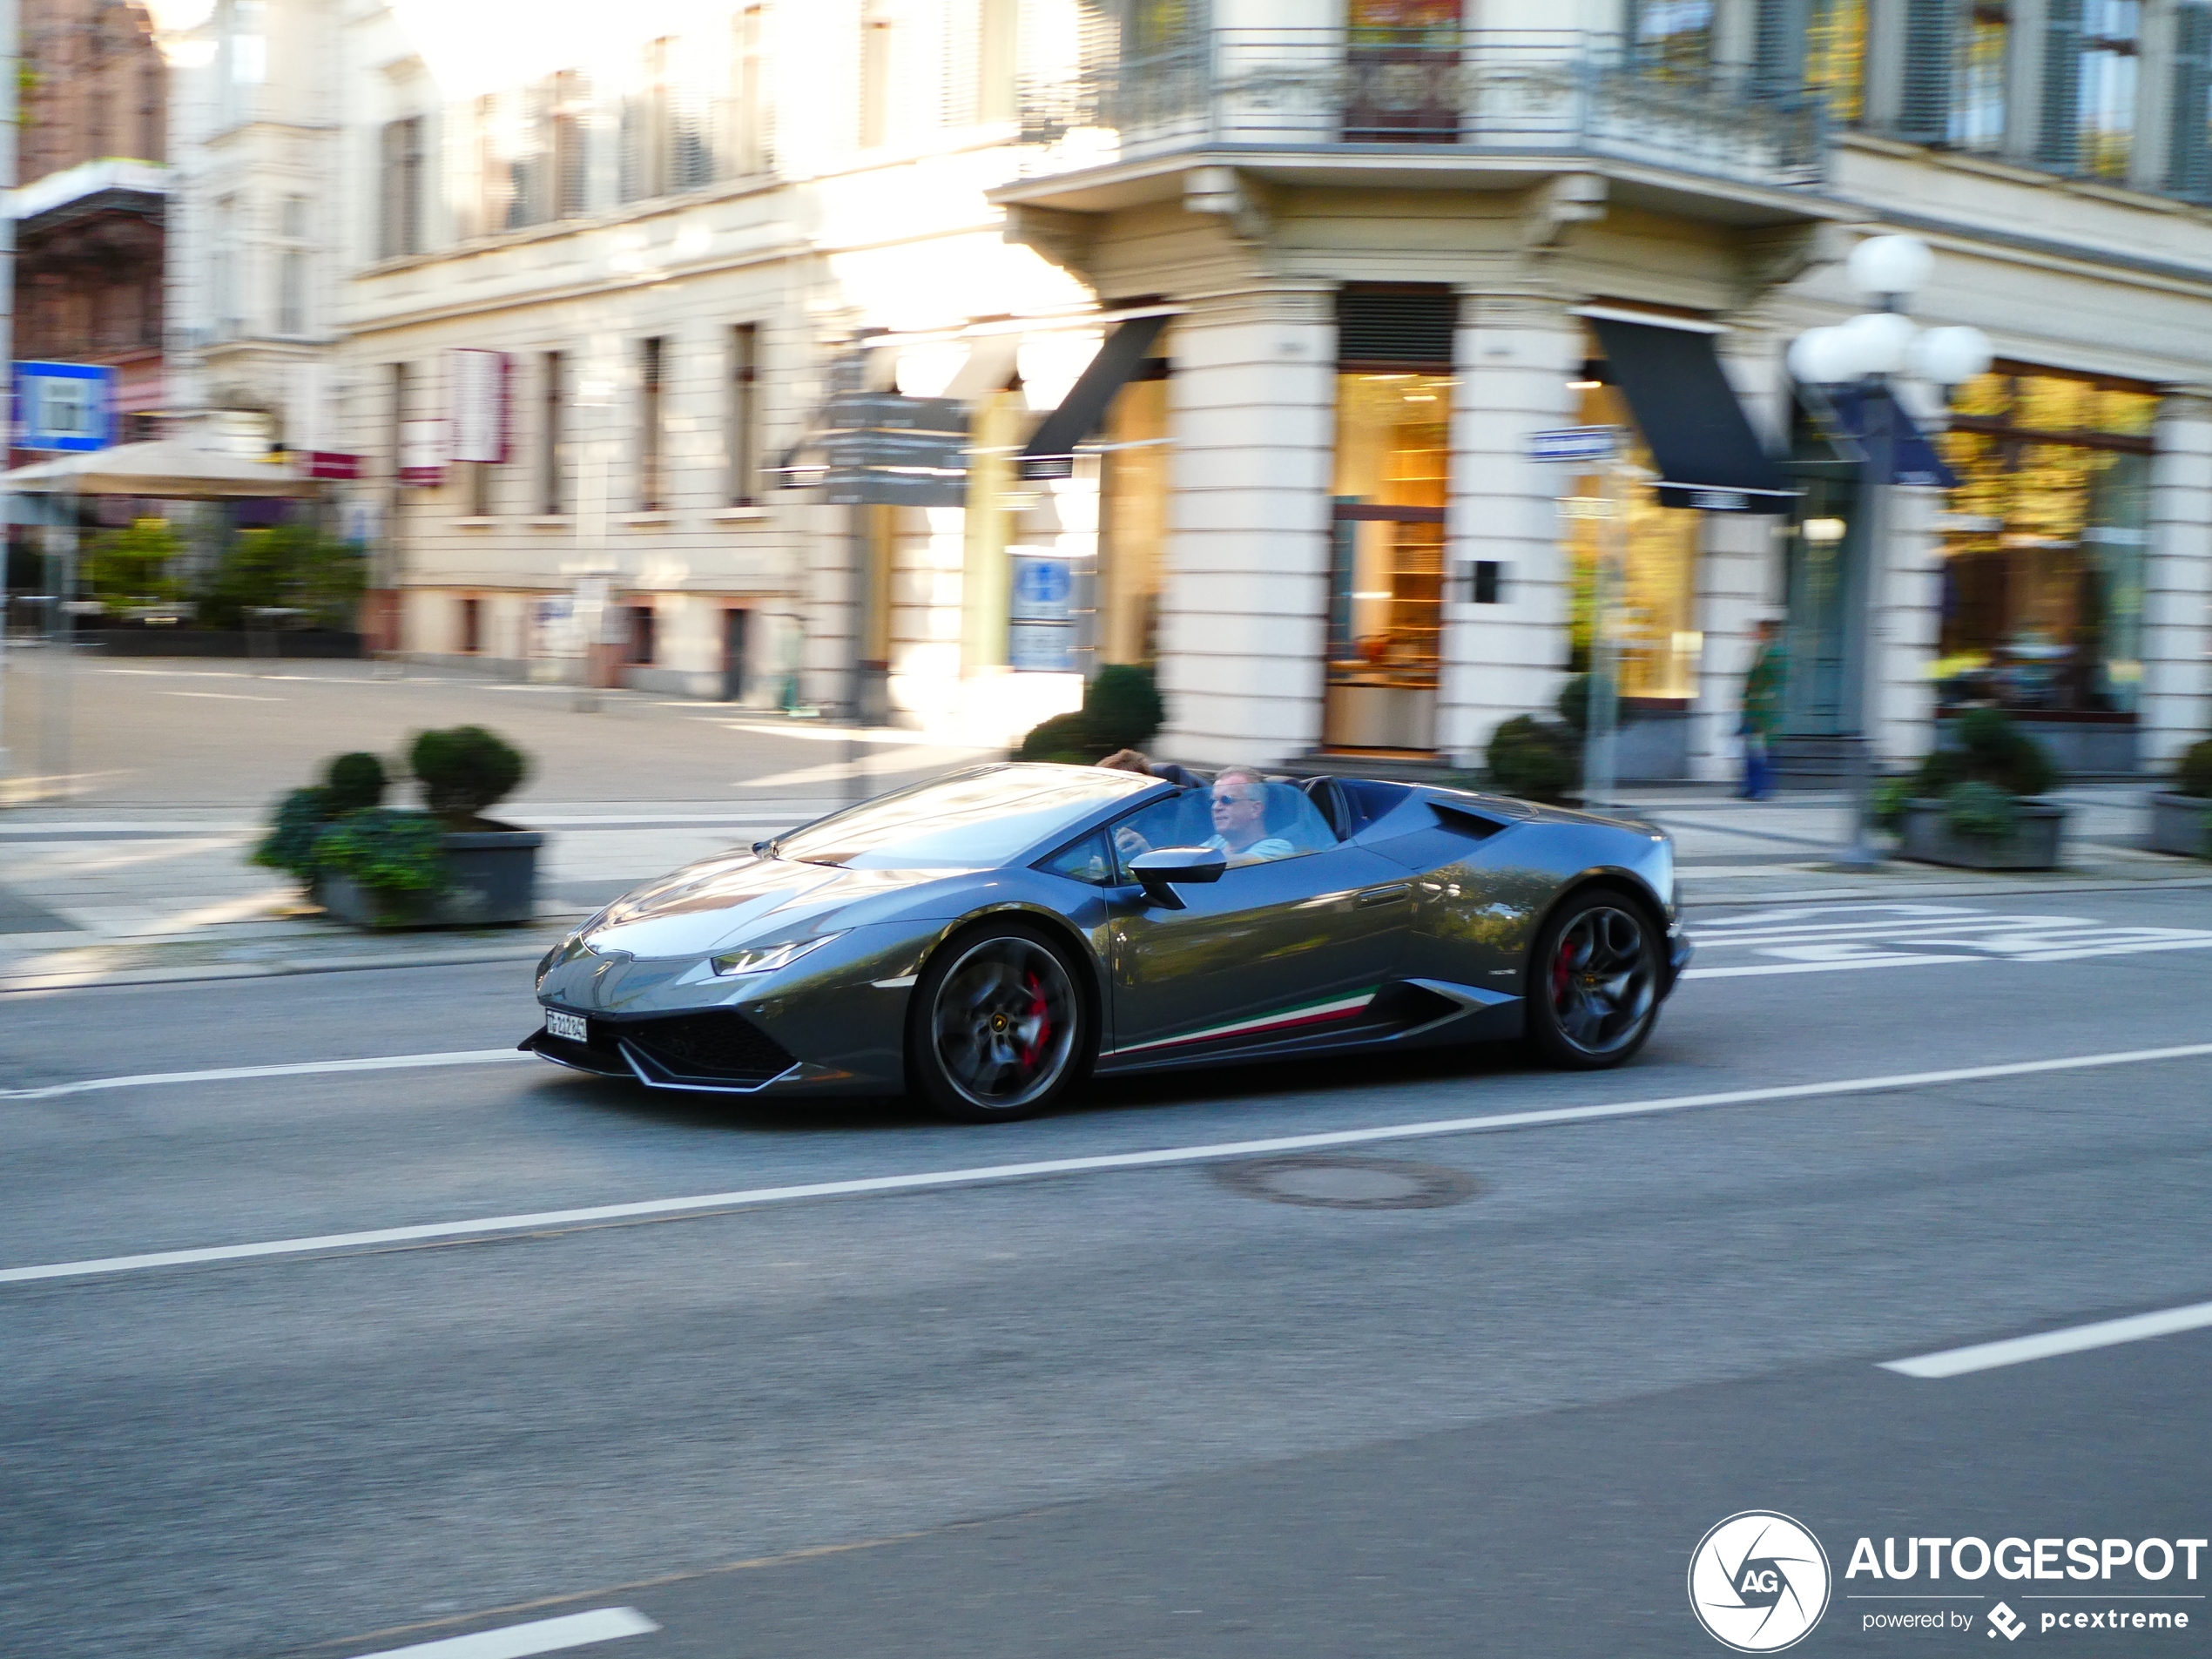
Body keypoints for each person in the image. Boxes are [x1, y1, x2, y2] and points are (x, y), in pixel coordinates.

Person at [1201, 767, 1295, 864]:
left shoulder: (1278, 848)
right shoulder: (1216, 841)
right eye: (1213, 801)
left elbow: (1241, 865)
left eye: (1226, 800)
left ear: (1255, 809)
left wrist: (1195, 859)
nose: (1215, 807)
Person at [1740, 617, 1785, 800]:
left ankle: (1763, 789)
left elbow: (1778, 681)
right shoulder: (1758, 651)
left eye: (1760, 630)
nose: (1756, 633)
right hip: (1753, 710)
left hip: (1766, 712)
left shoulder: (1777, 653)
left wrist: (1767, 703)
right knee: (1751, 750)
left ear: (1768, 633)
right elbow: (1750, 682)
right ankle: (1751, 787)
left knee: (1763, 753)